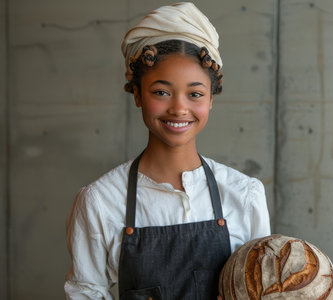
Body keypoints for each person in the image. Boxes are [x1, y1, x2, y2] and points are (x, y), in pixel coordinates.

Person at [64, 2, 271, 299]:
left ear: (211, 99)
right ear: (137, 94)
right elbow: (86, 293)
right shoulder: (100, 201)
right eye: (161, 92)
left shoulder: (244, 194)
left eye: (195, 94)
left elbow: (264, 288)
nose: (179, 108)